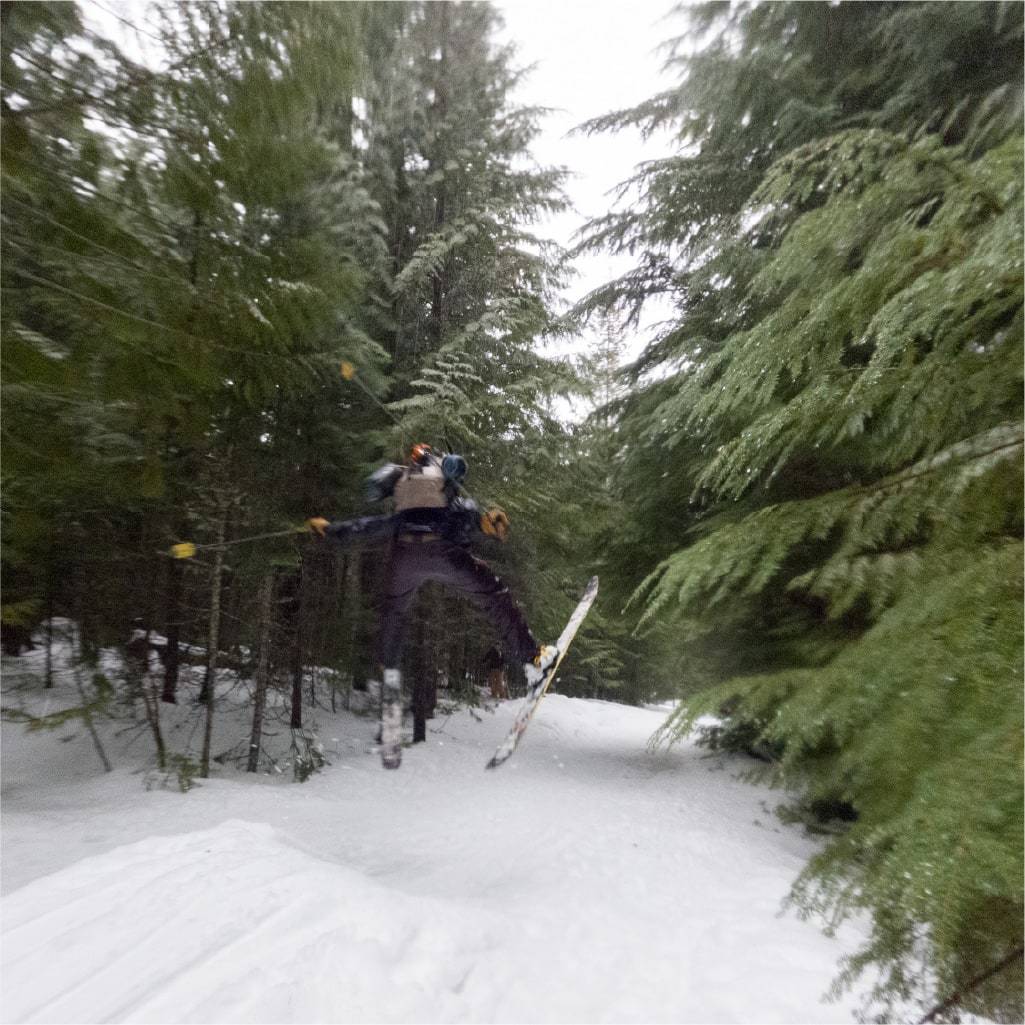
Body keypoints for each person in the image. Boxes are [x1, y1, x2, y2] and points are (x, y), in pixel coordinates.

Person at [307, 444, 556, 702]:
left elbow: (370, 526)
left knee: (394, 608)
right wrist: (486, 523)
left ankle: (387, 666)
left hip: (404, 554)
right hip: (442, 552)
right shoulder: (443, 481)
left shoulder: (404, 486)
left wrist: (331, 530)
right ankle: (534, 658)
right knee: (494, 595)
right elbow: (465, 518)